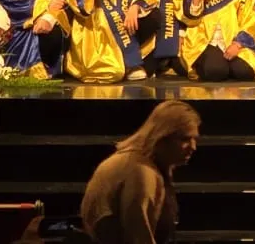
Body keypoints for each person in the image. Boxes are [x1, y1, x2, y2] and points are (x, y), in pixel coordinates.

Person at [79, 99, 199, 244]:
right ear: (162, 137)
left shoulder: (143, 163)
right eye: (185, 139)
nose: (193, 147)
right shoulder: (141, 172)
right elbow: (138, 237)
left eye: (194, 139)